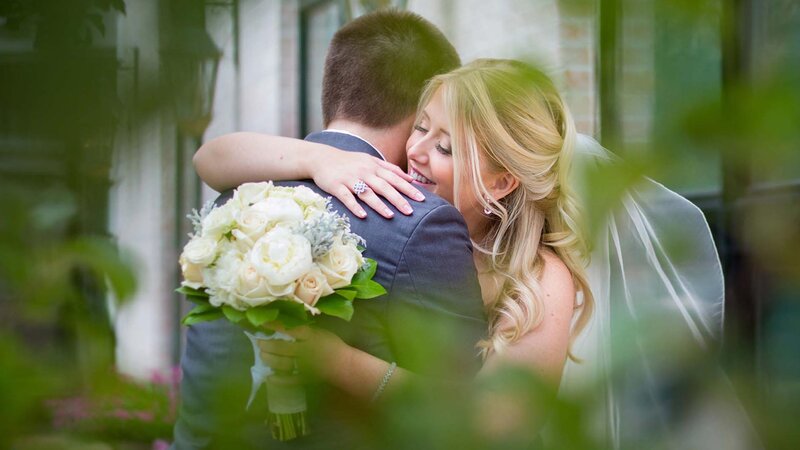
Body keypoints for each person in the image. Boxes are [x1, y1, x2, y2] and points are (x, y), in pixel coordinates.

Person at [194, 58, 728, 447]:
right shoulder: (392, 212)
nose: (418, 152)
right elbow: (213, 159)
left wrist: (331, 357)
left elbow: (494, 421)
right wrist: (319, 161)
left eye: (447, 147)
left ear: (500, 182)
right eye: (421, 127)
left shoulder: (543, 280)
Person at [172, 10, 487, 449]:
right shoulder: (422, 221)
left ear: (332, 91)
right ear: (420, 113)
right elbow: (466, 410)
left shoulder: (231, 201)